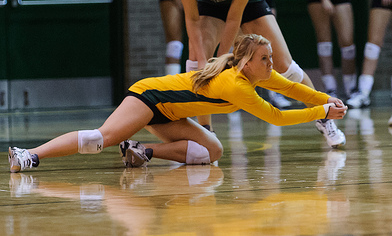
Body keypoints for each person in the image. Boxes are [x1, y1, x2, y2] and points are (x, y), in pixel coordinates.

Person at [8, 34, 348, 173]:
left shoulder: (256, 72)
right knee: (102, 138)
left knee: (212, 152)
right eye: (265, 58)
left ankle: (143, 150)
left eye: (271, 56)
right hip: (148, 97)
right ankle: (30, 155)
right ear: (247, 62)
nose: (271, 63)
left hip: (168, 114)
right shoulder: (236, 83)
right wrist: (321, 113)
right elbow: (275, 117)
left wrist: (326, 99)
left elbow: (293, 89)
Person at [176, 0, 346, 147]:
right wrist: (206, 60)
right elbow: (191, 18)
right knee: (198, 63)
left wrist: (224, 57)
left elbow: (234, 18)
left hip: (249, 5)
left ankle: (323, 117)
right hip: (211, 6)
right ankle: (205, 133)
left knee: (286, 67)